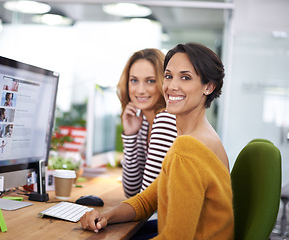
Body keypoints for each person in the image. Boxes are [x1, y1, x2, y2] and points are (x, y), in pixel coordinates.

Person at [80, 43, 234, 239]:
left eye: (185, 78)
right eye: (169, 76)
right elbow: (146, 201)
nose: (172, 86)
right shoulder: (193, 138)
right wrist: (105, 217)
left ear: (209, 87)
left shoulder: (189, 148)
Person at [117, 48, 177, 198]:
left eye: (150, 81)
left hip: (179, 219)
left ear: (164, 83)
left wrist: (107, 217)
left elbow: (146, 200)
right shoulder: (145, 122)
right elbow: (131, 191)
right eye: (134, 80)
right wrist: (131, 135)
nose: (140, 90)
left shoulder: (166, 120)